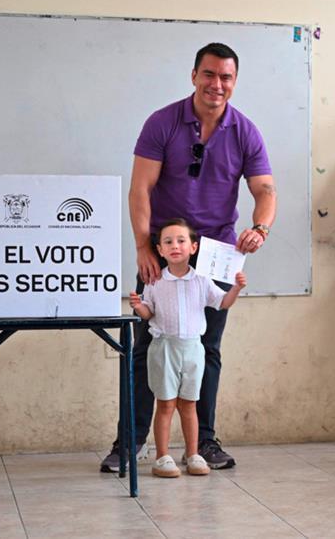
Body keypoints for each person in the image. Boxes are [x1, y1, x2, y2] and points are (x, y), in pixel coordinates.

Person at [100, 42, 277, 472]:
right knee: (146, 349)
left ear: (234, 82)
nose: (217, 84)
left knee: (207, 350)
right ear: (194, 75)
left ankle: (205, 444)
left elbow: (265, 190)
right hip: (165, 250)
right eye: (210, 74)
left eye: (226, 77)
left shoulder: (245, 131)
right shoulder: (163, 123)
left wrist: (260, 227)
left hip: (217, 254)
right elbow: (140, 188)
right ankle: (129, 444)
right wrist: (144, 247)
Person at [129, 218, 246, 477]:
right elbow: (148, 314)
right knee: (166, 404)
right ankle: (162, 457)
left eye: (181, 241)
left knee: (190, 404)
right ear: (159, 250)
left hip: (193, 350)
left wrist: (236, 288)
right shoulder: (155, 281)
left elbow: (222, 303)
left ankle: (193, 454)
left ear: (194, 248)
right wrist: (139, 307)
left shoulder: (202, 280)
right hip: (164, 350)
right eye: (168, 242)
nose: (175, 246)